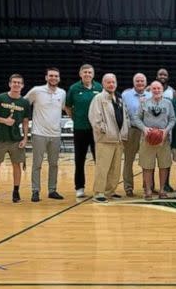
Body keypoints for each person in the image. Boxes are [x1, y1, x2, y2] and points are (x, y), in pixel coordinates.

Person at [24, 67, 66, 202]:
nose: (53, 78)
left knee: (54, 164)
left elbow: (64, 108)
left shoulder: (62, 93)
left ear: (59, 78)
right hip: (38, 133)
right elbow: (24, 104)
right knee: (37, 164)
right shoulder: (36, 90)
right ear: (46, 77)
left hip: (55, 134)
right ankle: (35, 191)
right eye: (51, 76)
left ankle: (52, 190)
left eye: (56, 76)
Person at [0, 74, 30, 204]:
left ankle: (16, 192)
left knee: (16, 166)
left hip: (16, 139)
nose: (16, 84)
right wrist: (4, 120)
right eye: (14, 82)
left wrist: (25, 138)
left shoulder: (24, 102)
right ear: (9, 84)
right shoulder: (0, 98)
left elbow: (25, 122)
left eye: (19, 83)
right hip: (0, 138)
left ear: (22, 86)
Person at [88, 73, 129, 203]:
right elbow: (95, 118)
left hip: (118, 139)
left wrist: (124, 132)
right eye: (108, 82)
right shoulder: (98, 98)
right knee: (103, 167)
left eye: (113, 82)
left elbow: (125, 117)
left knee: (115, 168)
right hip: (105, 139)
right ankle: (99, 192)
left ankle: (110, 191)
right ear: (103, 84)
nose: (111, 84)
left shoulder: (119, 98)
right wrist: (103, 131)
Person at [131, 80, 176, 200]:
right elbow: (136, 118)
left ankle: (162, 190)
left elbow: (172, 119)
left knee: (164, 166)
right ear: (150, 90)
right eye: (154, 88)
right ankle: (148, 190)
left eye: (159, 88)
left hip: (163, 140)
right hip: (147, 139)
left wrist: (165, 131)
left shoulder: (168, 103)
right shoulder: (144, 103)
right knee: (147, 166)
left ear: (162, 90)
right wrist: (144, 129)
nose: (156, 90)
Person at [65, 64, 102, 198]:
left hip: (96, 130)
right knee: (79, 160)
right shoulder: (74, 88)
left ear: (93, 74)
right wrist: (75, 118)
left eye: (90, 72)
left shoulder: (99, 87)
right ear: (80, 74)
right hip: (80, 129)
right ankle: (79, 187)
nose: (87, 74)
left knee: (99, 160)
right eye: (85, 72)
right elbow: (68, 106)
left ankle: (100, 187)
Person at [121, 73, 150, 197]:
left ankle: (147, 186)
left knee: (147, 161)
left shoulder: (151, 95)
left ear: (145, 82)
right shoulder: (125, 95)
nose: (140, 83)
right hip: (132, 130)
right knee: (128, 160)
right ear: (133, 82)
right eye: (137, 81)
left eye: (142, 81)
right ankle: (128, 187)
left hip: (147, 131)